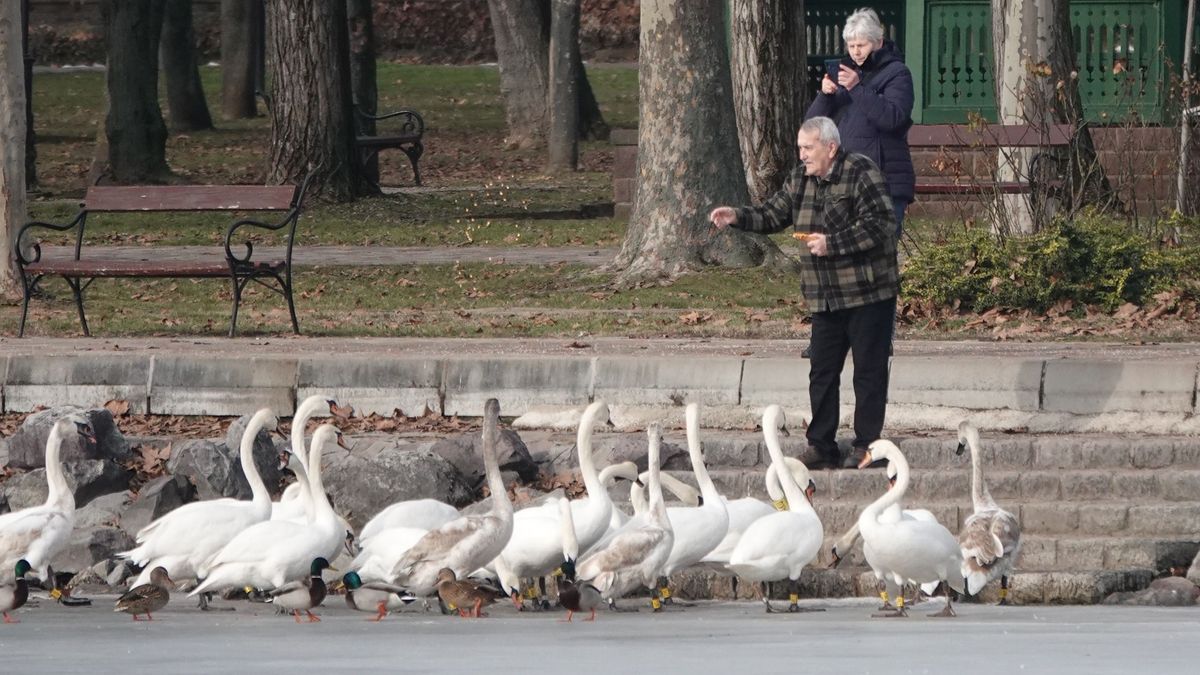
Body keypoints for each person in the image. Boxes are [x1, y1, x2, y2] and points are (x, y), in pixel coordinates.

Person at [709, 116, 898, 470]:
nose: (802, 155)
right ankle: (821, 445)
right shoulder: (800, 179)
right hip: (824, 296)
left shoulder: (861, 172)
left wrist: (834, 244)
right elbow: (773, 214)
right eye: (800, 148)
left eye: (807, 148)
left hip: (868, 292)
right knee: (821, 371)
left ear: (831, 147)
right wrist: (737, 216)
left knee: (869, 372)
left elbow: (882, 224)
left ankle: (867, 446)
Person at [806, 7, 914, 235]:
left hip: (884, 179)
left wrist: (857, 88)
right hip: (845, 181)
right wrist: (825, 95)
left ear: (878, 42)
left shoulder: (898, 73)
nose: (856, 52)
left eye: (862, 45)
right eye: (852, 46)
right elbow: (813, 126)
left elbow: (892, 118)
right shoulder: (846, 74)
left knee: (880, 254)